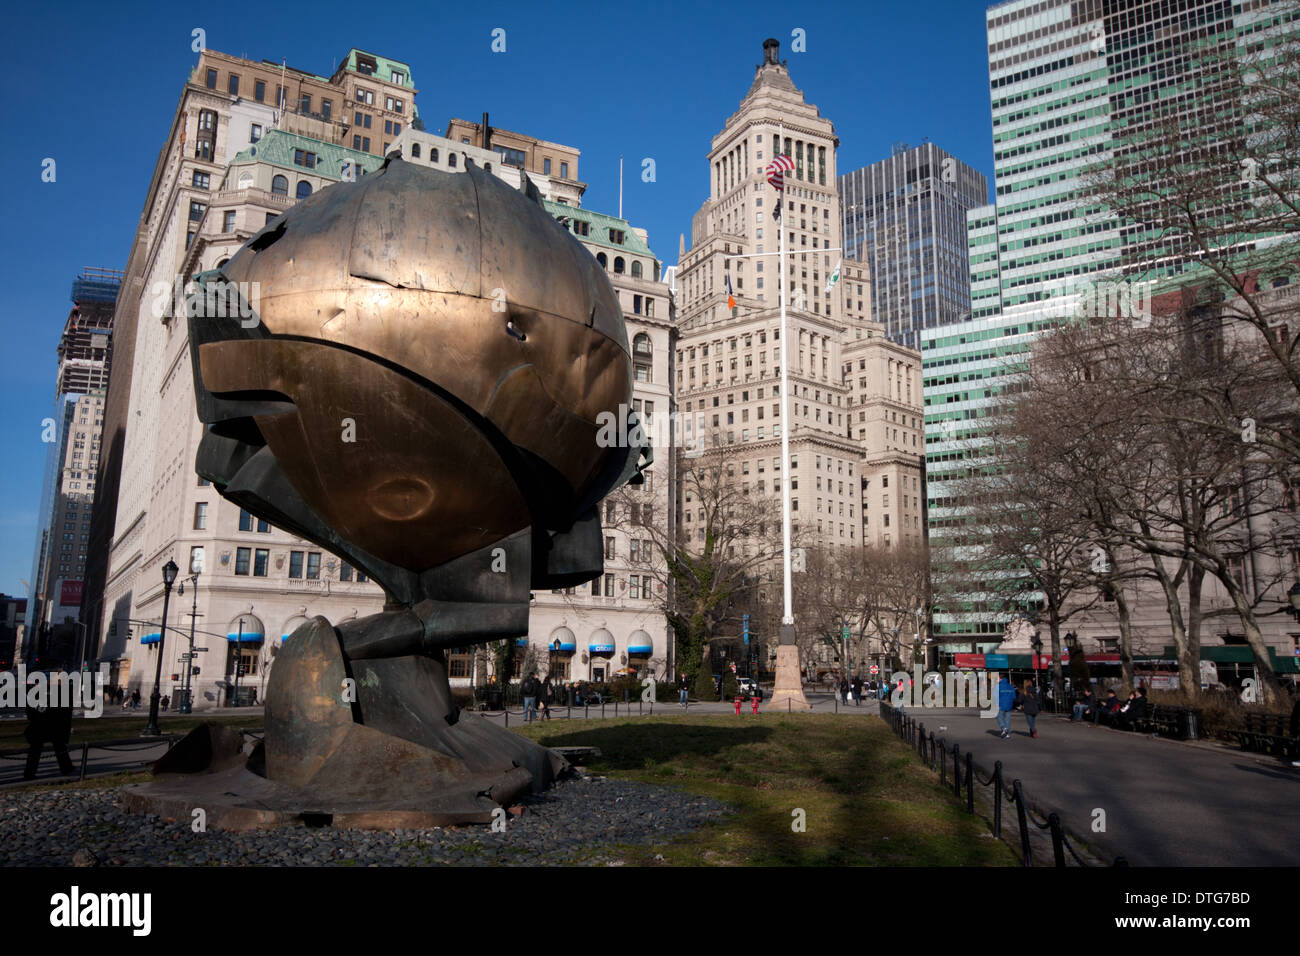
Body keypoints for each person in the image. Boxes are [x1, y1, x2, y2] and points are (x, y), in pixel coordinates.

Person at [23, 678, 75, 780]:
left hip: (38, 725)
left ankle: (29, 773)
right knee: (60, 747)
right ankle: (66, 768)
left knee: (35, 750)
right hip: (55, 726)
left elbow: (29, 710)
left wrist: (34, 719)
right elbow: (66, 712)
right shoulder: (63, 693)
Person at [996, 674, 1016, 738]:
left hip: (1001, 704)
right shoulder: (1010, 686)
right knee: (1007, 719)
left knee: (999, 717)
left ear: (1000, 679)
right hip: (1009, 705)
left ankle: (1004, 728)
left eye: (998, 678)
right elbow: (1014, 696)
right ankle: (1007, 734)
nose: (997, 680)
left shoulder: (998, 686)